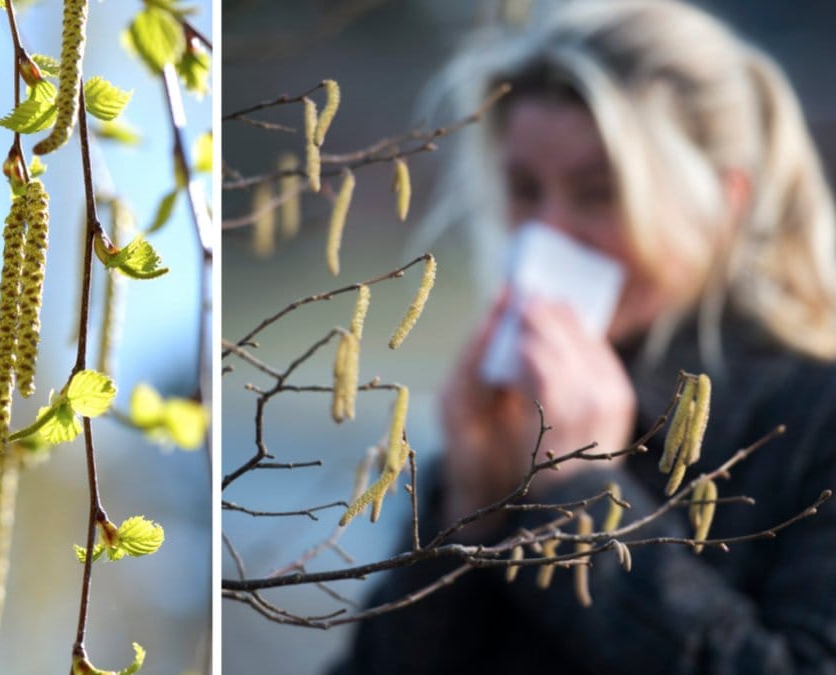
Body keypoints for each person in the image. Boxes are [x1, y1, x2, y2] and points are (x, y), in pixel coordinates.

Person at [330, 1, 836, 672]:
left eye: (598, 192)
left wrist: (581, 494)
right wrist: (464, 514)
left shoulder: (811, 423)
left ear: (721, 201)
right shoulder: (510, 415)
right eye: (523, 189)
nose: (548, 231)